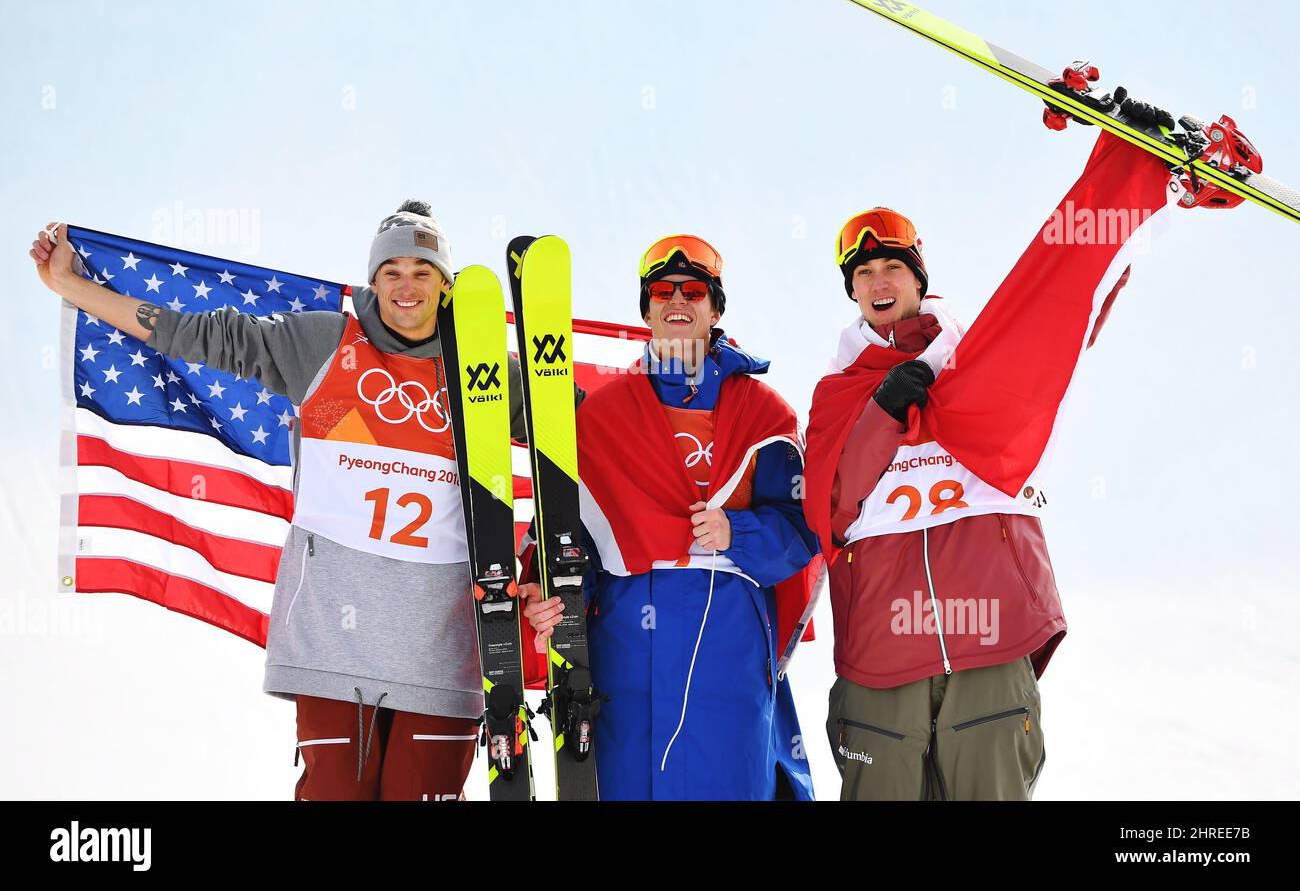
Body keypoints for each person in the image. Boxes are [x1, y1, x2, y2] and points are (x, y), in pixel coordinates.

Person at [31, 201, 528, 801]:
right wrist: (72, 285)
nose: (406, 287)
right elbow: (200, 336)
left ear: (446, 285)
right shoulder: (324, 343)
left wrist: (540, 569)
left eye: (423, 272)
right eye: (391, 271)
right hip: (331, 646)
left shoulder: (484, 373)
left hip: (441, 654)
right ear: (373, 281)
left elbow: (572, 436)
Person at [803, 205, 1134, 800]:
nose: (879, 282)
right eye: (864, 273)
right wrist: (881, 413)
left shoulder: (977, 363)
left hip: (990, 639)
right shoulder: (836, 392)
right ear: (852, 291)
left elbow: (1061, 327)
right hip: (880, 654)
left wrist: (1124, 226)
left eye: (892, 268)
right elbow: (830, 508)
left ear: (918, 279)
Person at [520, 235, 819, 800]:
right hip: (627, 643)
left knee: (729, 781)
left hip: (728, 640)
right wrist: (550, 594)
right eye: (662, 290)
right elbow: (569, 535)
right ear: (647, 309)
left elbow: (802, 528)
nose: (677, 299)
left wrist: (738, 531)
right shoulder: (604, 414)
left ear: (715, 308)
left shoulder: (763, 411)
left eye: (694, 291)